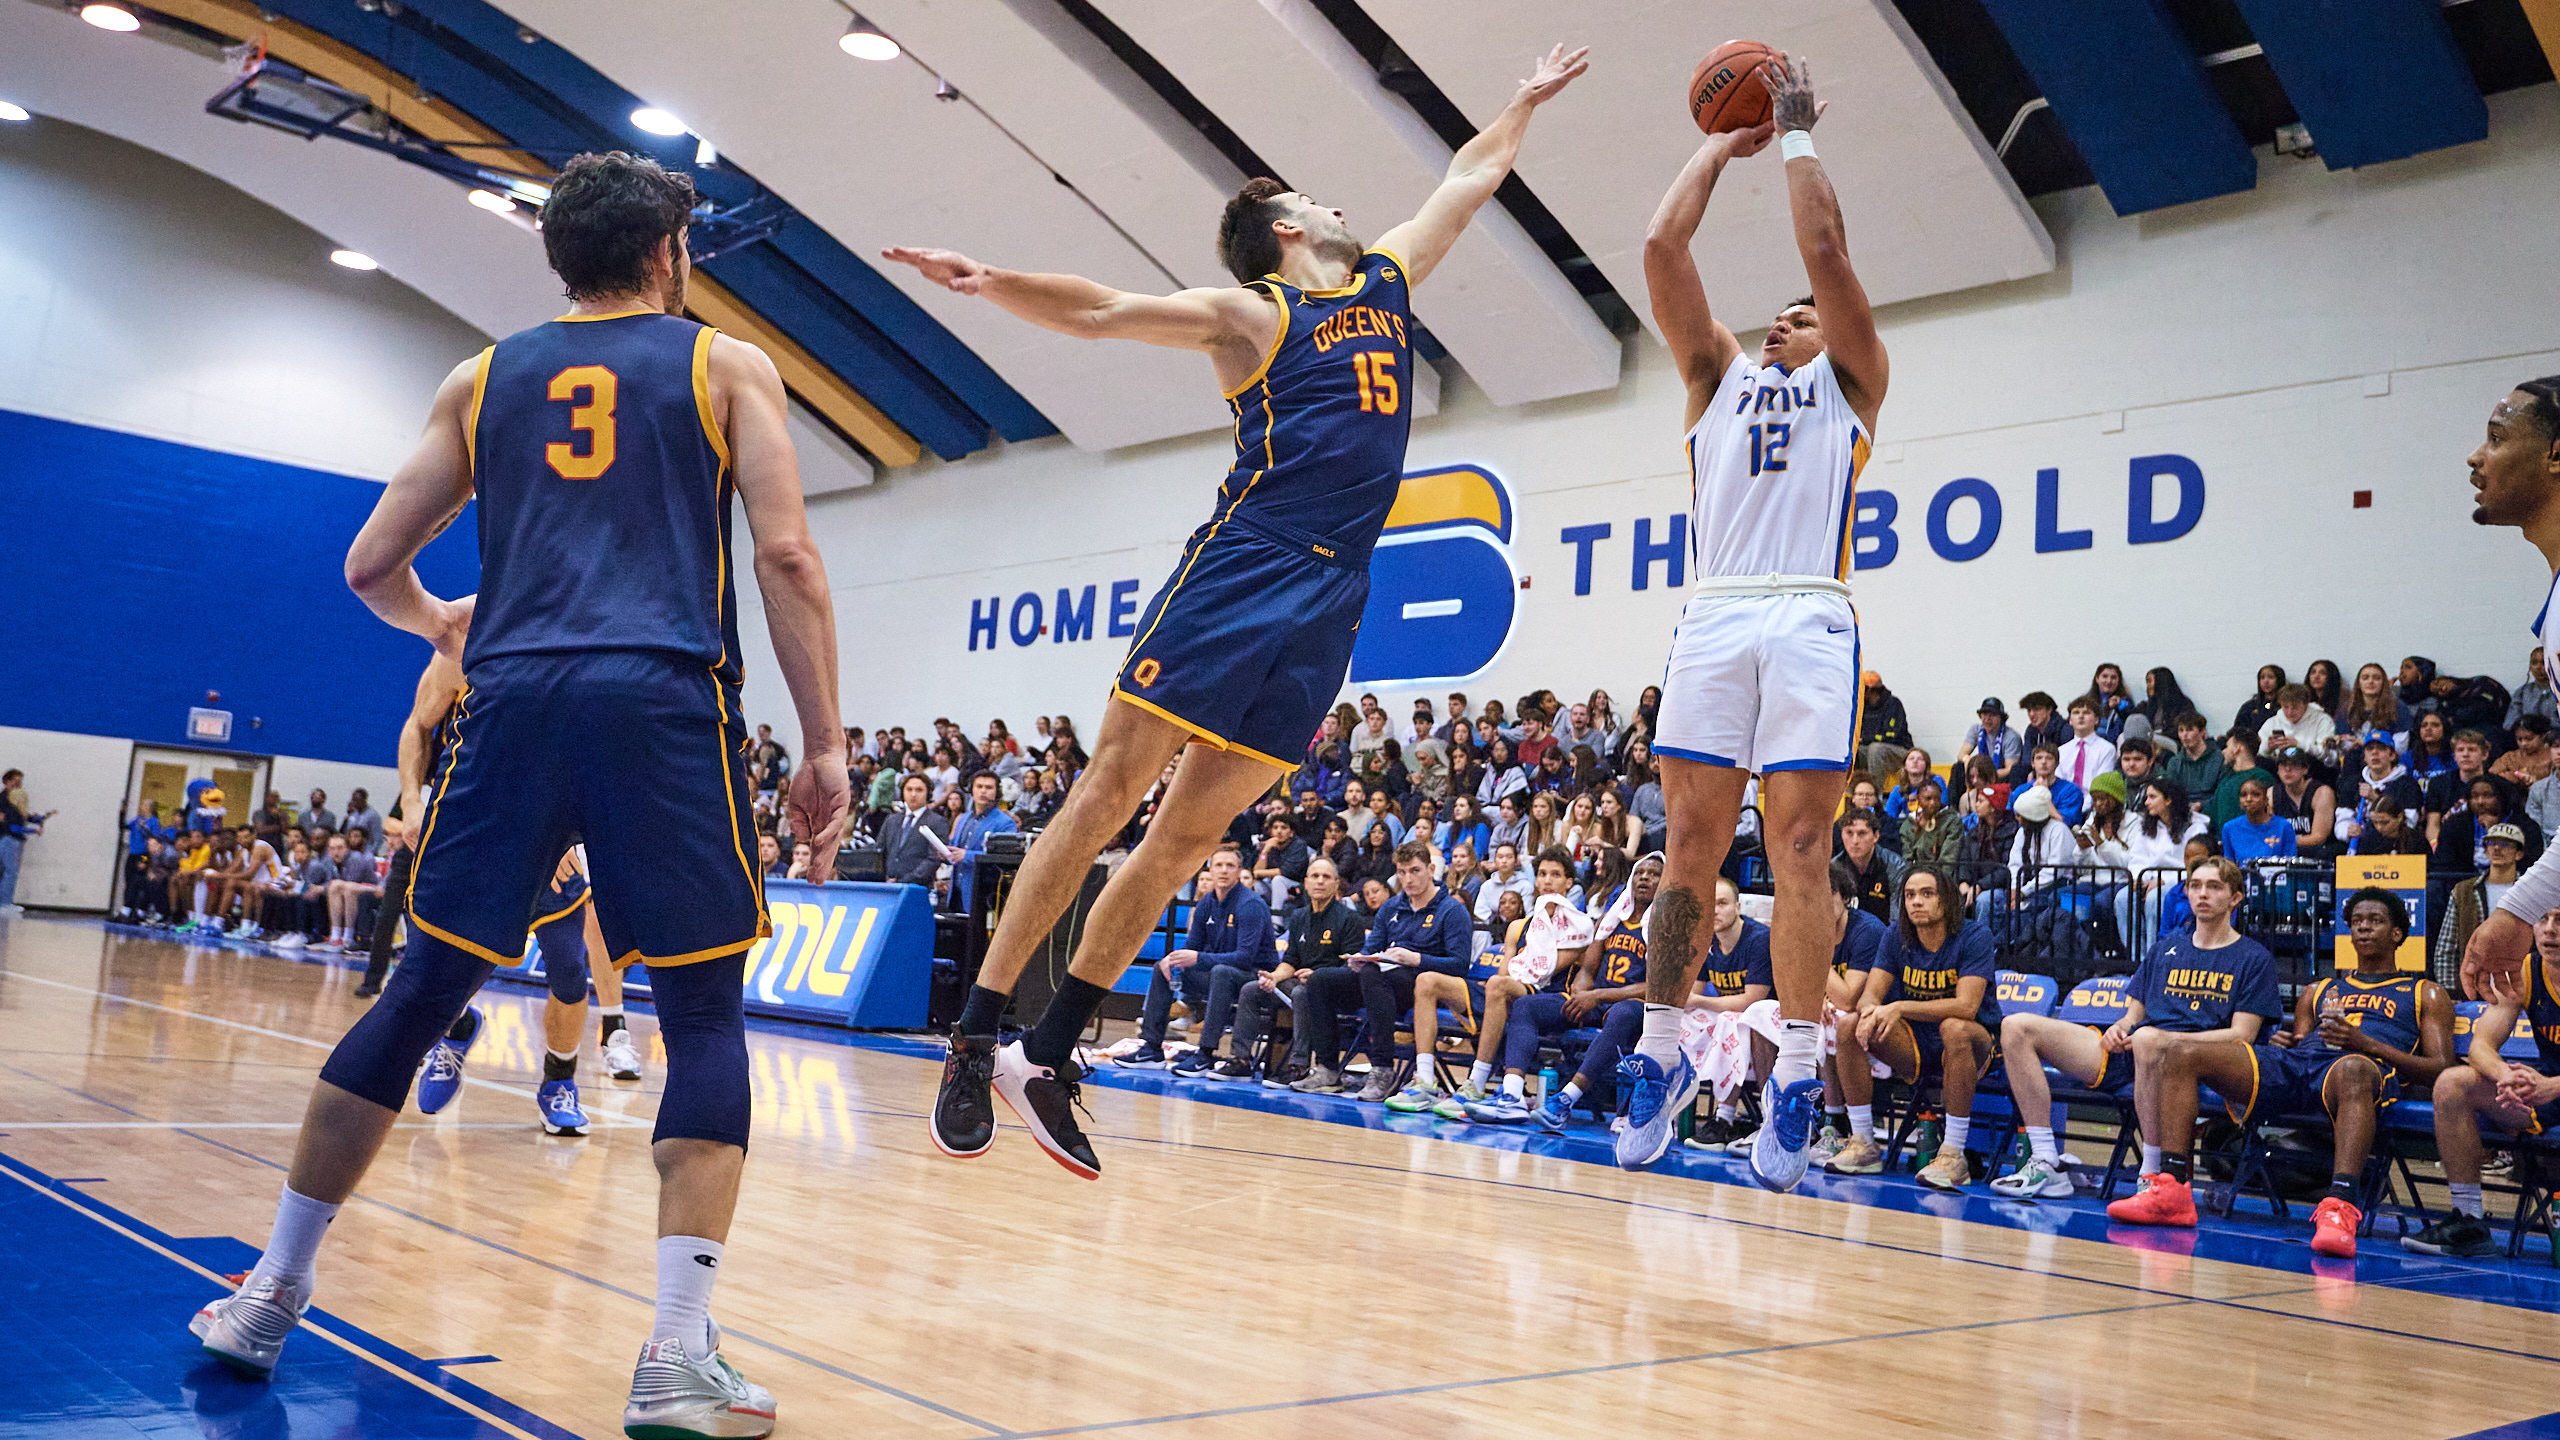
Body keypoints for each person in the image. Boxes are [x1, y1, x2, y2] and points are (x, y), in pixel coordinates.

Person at [188, 153, 851, 1437]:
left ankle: (270, 1293)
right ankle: (675, 1356)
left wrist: (442, 620)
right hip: (662, 700)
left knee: (420, 993)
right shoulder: (724, 365)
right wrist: (823, 741)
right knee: (702, 1015)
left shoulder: (480, 379)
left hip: (514, 698)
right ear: (670, 253)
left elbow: (372, 561)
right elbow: (783, 552)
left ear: (561, 258)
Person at [900, 43, 1590, 1180]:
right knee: (1107, 796)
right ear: (1282, 227)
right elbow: (1107, 310)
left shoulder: (1382, 280)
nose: (1337, 202)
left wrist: (1520, 100)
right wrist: (992, 281)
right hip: (1244, 563)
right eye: (1312, 197)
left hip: (1335, 592)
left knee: (1185, 837)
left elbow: (1466, 180)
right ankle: (975, 1035)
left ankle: (1050, 1050)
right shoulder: (1249, 315)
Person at [1630, 53, 1892, 1186]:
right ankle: (1657, 1054)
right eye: (1775, 314)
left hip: (1808, 618)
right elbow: (1658, 249)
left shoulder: (1852, 383)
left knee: (1796, 849)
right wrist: (1716, 145)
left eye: (1805, 318)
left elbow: (1825, 253)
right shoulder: (1710, 377)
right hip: (1716, 611)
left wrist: (1789, 134)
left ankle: (1793, 1067)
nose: (1788, 318)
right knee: (1687, 849)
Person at [2112, 887, 2447, 1246]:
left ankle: (2340, 1208)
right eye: (2357, 921)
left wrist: (2365, 1044)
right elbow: (2302, 1047)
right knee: (2181, 1050)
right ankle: (2173, 1190)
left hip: (2357, 1073)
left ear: (2398, 934)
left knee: (2353, 1068)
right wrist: (2286, 1042)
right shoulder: (2319, 990)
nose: (2364, 928)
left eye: (2376, 921)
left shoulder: (2424, 992)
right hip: (2300, 1068)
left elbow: (2439, 1067)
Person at [1988, 856, 2281, 1200]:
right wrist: (2120, 1028)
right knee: (2017, 1026)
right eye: (2195, 886)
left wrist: (2165, 1039)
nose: (2202, 894)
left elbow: (2241, 1035)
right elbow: (2132, 1015)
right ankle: (2045, 1161)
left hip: (2199, 1061)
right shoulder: (2166, 948)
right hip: (2138, 1050)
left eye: (2214, 887)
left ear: (2235, 898)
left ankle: (2153, 1173)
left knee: (2147, 1039)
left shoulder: (2253, 957)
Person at [1827, 867, 2000, 1190]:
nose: (1916, 902)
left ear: (1946, 900)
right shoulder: (1896, 936)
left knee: (1955, 1028)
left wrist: (1900, 1007)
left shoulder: (1974, 935)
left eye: (1926, 894)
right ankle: (1863, 1141)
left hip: (1974, 1043)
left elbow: (1967, 1007)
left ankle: (1953, 1152)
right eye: (1909, 895)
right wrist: (1869, 1014)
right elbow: (1868, 997)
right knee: (1849, 1023)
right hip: (1916, 1043)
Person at [2405, 906, 2560, 1257]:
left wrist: (2551, 1086)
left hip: (2552, 1088)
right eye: (2542, 920)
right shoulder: (2526, 970)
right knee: (2452, 1083)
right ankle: (2469, 1222)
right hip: (2544, 1093)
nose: (2549, 931)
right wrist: (2506, 1077)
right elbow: (2481, 1046)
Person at [1290, 840, 1478, 1100]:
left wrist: (1415, 958)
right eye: (1401, 872)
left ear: (1431, 869)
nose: (1407, 879)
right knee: (1320, 980)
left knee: (1373, 974)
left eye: (1414, 871)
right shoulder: (1391, 907)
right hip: (1380, 982)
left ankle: (1382, 1069)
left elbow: (1459, 966)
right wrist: (1359, 959)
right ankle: (1327, 1068)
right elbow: (1372, 948)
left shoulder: (1452, 911)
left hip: (1423, 987)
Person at [1116, 845, 1276, 1073]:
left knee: (1222, 972)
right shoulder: (1206, 903)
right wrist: (1172, 960)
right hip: (1220, 973)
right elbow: (1191, 947)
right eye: (1218, 865)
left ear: (1239, 871)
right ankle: (1152, 1048)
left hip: (1254, 977)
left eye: (1230, 866)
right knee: (1162, 968)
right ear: (1209, 870)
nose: (1223, 870)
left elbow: (1244, 957)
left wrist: (1198, 958)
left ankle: (1205, 1053)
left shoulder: (1250, 905)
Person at [1957, 697, 2028, 785]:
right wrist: (1967, 760)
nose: (1987, 719)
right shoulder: (1976, 729)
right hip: (1982, 773)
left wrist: (1986, 776)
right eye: (1984, 714)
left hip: (2001, 776)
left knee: (2015, 773)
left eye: (1992, 714)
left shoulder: (2011, 737)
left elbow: (2009, 769)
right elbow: (1961, 755)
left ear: (2001, 717)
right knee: (1958, 768)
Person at [2055, 696, 2118, 793]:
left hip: (2095, 803)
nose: (2081, 716)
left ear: (2096, 720)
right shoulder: (2061, 751)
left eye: (2086, 713)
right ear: (2070, 720)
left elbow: (2102, 785)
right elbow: (2058, 785)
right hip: (2065, 804)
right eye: (2076, 713)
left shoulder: (2107, 749)